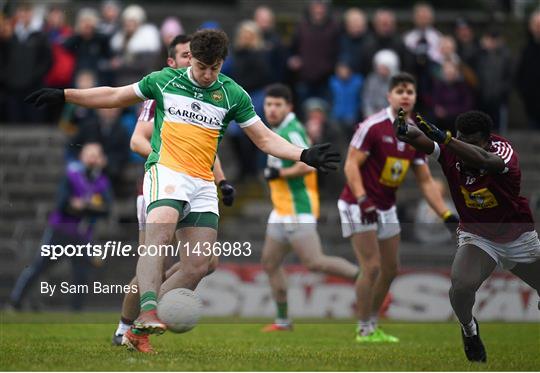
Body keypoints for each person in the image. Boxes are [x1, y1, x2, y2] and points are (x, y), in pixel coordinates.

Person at [25, 28, 340, 353]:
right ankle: (147, 311)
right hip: (166, 171)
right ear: (192, 59)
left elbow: (263, 138)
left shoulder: (233, 94)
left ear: (222, 63)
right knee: (158, 240)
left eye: (214, 68)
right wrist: (66, 95)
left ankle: (136, 330)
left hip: (202, 182)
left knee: (200, 264)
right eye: (202, 66)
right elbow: (115, 95)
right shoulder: (164, 80)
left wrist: (303, 154)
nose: (207, 74)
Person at [110, 33, 233, 347]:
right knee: (153, 259)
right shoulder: (161, 93)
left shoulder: (209, 96)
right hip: (161, 184)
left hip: (193, 185)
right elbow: (137, 139)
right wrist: (169, 154)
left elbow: (205, 149)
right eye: (184, 55)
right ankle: (125, 329)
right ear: (176, 61)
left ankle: (149, 312)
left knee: (207, 262)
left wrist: (221, 181)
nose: (190, 61)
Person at [394, 109, 540, 363]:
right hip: (479, 236)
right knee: (460, 288)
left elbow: (486, 161)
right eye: (460, 139)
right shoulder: (452, 150)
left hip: (518, 237)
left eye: (469, 142)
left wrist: (450, 140)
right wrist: (406, 132)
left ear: (486, 140)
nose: (462, 147)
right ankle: (469, 330)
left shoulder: (502, 151)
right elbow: (426, 142)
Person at [339, 72, 457, 343]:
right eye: (400, 91)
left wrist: (446, 214)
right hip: (357, 203)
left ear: (415, 98)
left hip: (385, 206)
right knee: (371, 267)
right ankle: (363, 328)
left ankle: (372, 323)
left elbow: (426, 180)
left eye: (410, 92)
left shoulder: (414, 133)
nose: (405, 95)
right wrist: (361, 198)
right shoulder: (373, 126)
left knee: (391, 269)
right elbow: (350, 165)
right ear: (389, 96)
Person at [260, 83, 359, 331]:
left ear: (289, 107)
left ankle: (368, 280)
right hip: (281, 210)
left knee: (315, 262)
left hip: (298, 208)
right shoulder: (279, 128)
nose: (272, 109)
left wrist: (279, 173)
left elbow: (307, 163)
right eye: (269, 104)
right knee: (270, 263)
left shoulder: (292, 131)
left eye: (277, 105)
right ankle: (283, 321)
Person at [9, 143, 111, 311]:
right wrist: (89, 207)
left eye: (96, 155)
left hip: (82, 235)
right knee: (38, 266)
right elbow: (63, 204)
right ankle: (15, 302)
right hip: (60, 231)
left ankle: (75, 312)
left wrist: (83, 206)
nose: (93, 159)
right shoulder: (71, 175)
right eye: (89, 155)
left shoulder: (102, 181)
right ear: (81, 157)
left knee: (81, 275)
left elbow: (106, 209)